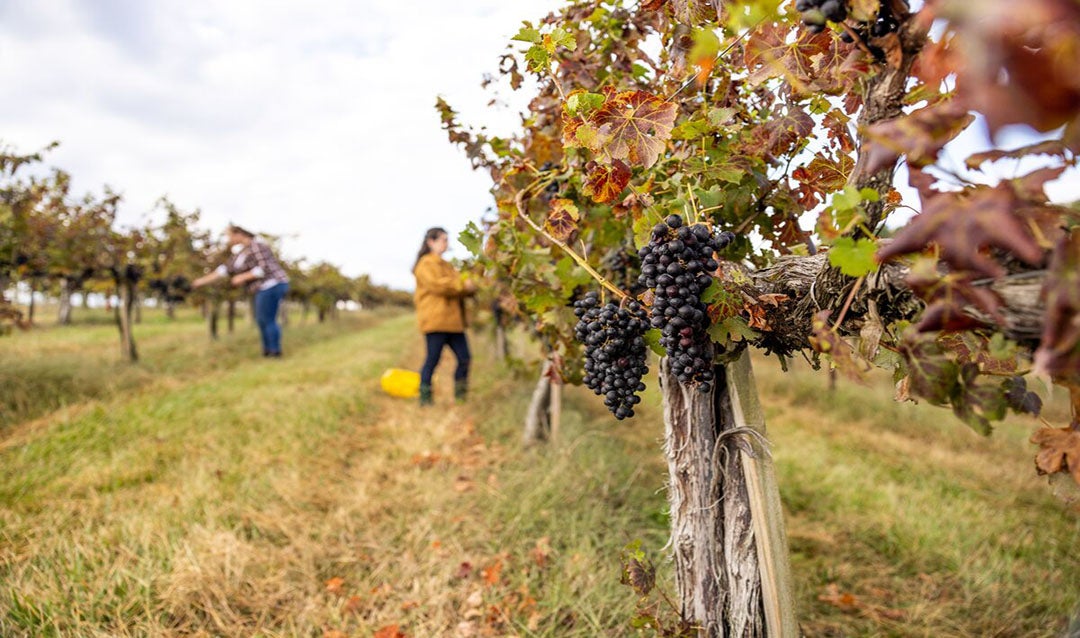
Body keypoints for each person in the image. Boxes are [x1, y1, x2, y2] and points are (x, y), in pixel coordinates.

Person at [192, 225, 290, 357]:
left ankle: (275, 351)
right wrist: (201, 281)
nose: (228, 239)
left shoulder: (257, 246)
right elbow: (224, 270)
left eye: (229, 235)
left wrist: (243, 276)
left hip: (272, 284)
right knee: (262, 320)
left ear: (239, 234)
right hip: (262, 288)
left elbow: (264, 268)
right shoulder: (241, 253)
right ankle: (268, 351)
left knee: (268, 319)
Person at [413, 227, 476, 406]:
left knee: (465, 358)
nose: (446, 244)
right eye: (443, 240)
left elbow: (458, 287)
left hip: (454, 322)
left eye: (447, 240)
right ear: (430, 242)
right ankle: (425, 400)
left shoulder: (447, 265)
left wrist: (469, 287)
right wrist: (464, 284)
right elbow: (438, 286)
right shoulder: (425, 264)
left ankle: (461, 398)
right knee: (432, 360)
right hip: (436, 321)